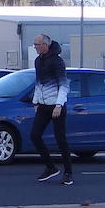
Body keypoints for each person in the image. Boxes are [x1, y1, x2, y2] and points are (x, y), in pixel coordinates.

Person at [31, 34, 73, 185]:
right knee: (35, 135)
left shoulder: (57, 61)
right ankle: (51, 168)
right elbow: (38, 83)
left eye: (37, 44)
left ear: (45, 45)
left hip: (56, 106)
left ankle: (68, 172)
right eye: (34, 44)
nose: (34, 47)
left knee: (60, 139)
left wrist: (59, 105)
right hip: (43, 105)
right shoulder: (38, 61)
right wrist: (35, 102)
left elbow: (64, 85)